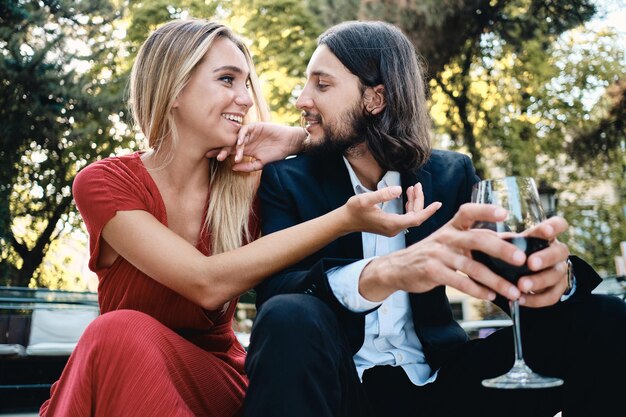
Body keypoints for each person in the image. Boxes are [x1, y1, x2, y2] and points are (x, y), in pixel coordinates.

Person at [39, 19, 434, 417]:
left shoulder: (251, 186)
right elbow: (204, 282)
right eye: (227, 79)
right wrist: (345, 218)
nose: (245, 99)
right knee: (117, 333)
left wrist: (299, 138)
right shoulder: (104, 183)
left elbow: (360, 146)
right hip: (125, 371)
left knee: (117, 335)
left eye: (246, 84)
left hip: (216, 380)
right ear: (172, 88)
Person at [243, 21, 626, 417]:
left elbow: (507, 275)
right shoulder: (286, 180)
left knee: (606, 318)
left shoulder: (451, 175)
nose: (301, 98)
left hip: (445, 385)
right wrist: (382, 273)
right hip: (339, 389)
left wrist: (555, 279)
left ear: (376, 98)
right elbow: (276, 296)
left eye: (321, 85)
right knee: (288, 315)